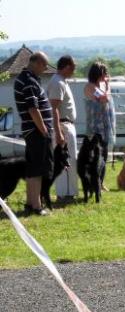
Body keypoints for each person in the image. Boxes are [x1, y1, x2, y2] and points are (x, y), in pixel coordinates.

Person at [14, 52, 53, 216]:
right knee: (37, 169)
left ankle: (30, 203)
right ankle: (36, 206)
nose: (45, 70)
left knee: (32, 168)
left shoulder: (23, 78)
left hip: (31, 130)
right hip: (37, 131)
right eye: (44, 66)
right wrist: (44, 130)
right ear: (36, 63)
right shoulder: (29, 81)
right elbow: (33, 109)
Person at [47, 55, 78, 201]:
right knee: (63, 161)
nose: (74, 71)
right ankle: (63, 194)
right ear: (66, 67)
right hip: (63, 125)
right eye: (73, 68)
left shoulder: (63, 82)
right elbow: (54, 108)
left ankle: (70, 193)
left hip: (67, 125)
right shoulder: (57, 82)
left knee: (70, 160)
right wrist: (58, 132)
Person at [84, 62, 116, 189]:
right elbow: (104, 99)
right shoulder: (90, 87)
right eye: (104, 72)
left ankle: (100, 183)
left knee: (103, 157)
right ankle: (94, 184)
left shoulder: (100, 86)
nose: (106, 75)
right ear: (98, 73)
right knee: (96, 158)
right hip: (95, 129)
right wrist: (108, 86)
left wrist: (106, 86)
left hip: (105, 129)